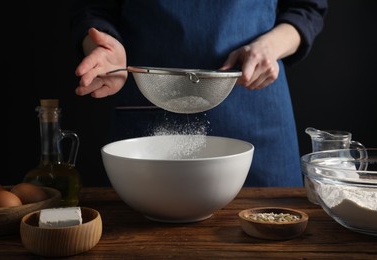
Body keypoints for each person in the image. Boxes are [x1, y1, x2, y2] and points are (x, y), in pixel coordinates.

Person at [69, 0, 328, 187]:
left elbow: (307, 7)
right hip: (151, 98)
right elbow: (93, 8)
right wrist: (102, 45)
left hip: (254, 104)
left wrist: (269, 48)